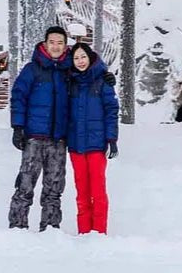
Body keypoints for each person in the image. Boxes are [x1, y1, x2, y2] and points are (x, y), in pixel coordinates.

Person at [8, 25, 72, 231]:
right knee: (25, 185)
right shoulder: (32, 69)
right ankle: (17, 227)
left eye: (60, 43)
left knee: (54, 188)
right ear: (45, 44)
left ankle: (51, 228)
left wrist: (105, 77)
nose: (55, 46)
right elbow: (18, 97)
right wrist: (18, 126)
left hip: (58, 139)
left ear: (65, 46)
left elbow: (89, 75)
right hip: (34, 138)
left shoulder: (69, 71)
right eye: (52, 42)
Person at [65, 42, 118, 235]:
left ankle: (99, 232)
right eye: (76, 58)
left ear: (90, 58)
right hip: (76, 145)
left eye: (83, 57)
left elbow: (111, 110)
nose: (80, 61)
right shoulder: (69, 82)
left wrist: (112, 139)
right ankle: (84, 233)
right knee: (82, 192)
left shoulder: (102, 81)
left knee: (98, 190)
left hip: (96, 144)